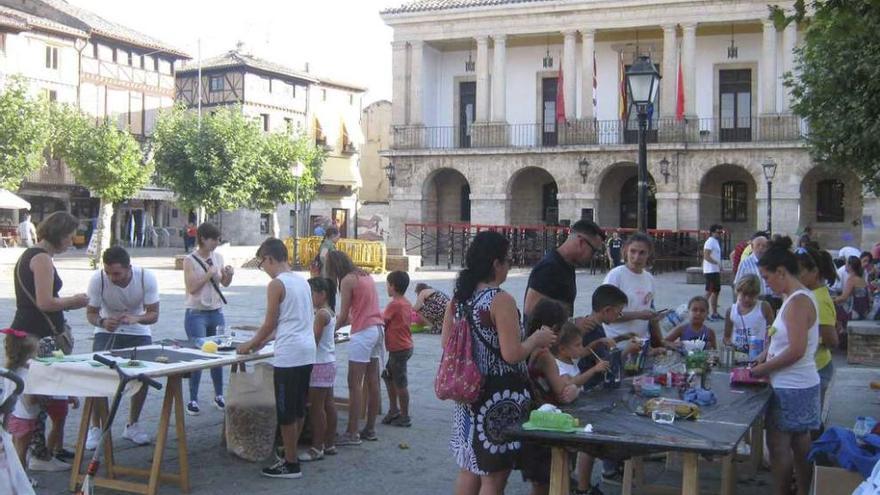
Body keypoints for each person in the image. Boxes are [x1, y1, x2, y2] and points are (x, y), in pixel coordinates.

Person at [441, 230, 556, 495]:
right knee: (493, 475)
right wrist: (537, 338)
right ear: (496, 263)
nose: (509, 266)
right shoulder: (500, 300)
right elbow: (512, 353)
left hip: (467, 391)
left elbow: (446, 345)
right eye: (508, 261)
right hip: (498, 395)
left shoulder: (460, 298)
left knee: (470, 466)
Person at [10, 212, 89, 469]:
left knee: (34, 398)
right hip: (36, 335)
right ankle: (35, 458)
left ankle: (36, 455)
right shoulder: (41, 258)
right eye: (69, 236)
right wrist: (74, 301)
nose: (71, 241)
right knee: (33, 401)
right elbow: (45, 302)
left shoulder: (30, 255)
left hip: (26, 332)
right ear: (58, 235)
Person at [238, 238, 315, 479]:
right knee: (298, 406)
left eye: (262, 264)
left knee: (285, 411)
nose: (264, 270)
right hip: (306, 350)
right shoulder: (302, 282)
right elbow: (287, 321)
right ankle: (289, 453)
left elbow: (270, 322)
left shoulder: (277, 284)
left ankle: (290, 463)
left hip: (289, 354)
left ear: (269, 259)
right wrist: (260, 340)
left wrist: (250, 344)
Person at [750, 237, 820, 495]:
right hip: (799, 385)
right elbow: (784, 338)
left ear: (781, 272)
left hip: (792, 386)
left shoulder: (798, 302)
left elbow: (796, 350)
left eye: (767, 277)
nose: (766, 283)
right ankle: (802, 489)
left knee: (780, 447)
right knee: (801, 443)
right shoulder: (795, 298)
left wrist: (763, 369)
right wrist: (766, 353)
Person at [84, 246, 159, 449]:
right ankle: (96, 427)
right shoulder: (98, 279)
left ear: (129, 269)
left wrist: (137, 318)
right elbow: (91, 313)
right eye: (108, 272)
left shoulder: (146, 277)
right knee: (97, 376)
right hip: (106, 330)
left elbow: (154, 314)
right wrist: (101, 322)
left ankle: (132, 424)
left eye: (116, 273)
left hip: (138, 331)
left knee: (142, 377)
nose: (112, 278)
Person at [574, 285, 629, 495]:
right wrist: (627, 351)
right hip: (590, 390)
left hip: (592, 387)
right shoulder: (592, 330)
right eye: (618, 311)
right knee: (589, 445)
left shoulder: (595, 326)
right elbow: (606, 363)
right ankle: (583, 487)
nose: (619, 315)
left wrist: (623, 339)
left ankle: (585, 484)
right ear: (606, 310)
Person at [327, 250, 384, 445]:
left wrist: (330, 331)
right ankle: (370, 428)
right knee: (373, 382)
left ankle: (352, 432)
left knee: (354, 383)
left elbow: (343, 315)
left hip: (363, 333)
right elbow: (359, 309)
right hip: (376, 328)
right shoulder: (365, 275)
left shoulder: (347, 280)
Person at [183, 222, 234, 415]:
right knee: (199, 356)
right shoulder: (190, 260)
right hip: (196, 312)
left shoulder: (218, 257)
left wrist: (229, 275)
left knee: (218, 354)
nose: (217, 243)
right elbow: (191, 288)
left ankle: (219, 395)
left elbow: (224, 284)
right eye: (214, 239)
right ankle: (193, 399)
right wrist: (207, 274)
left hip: (216, 310)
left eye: (218, 240)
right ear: (203, 239)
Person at [523, 220, 605, 319]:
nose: (594, 256)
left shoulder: (567, 265)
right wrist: (573, 324)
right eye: (593, 251)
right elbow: (530, 310)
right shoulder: (549, 267)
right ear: (581, 242)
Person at [794, 246, 839, 416]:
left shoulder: (818, 300)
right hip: (814, 365)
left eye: (801, 272)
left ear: (815, 272)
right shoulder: (812, 295)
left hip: (818, 366)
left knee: (810, 420)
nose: (797, 277)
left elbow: (832, 340)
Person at [601, 233, 664, 352]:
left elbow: (650, 310)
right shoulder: (616, 276)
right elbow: (604, 315)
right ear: (626, 251)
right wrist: (639, 315)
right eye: (633, 251)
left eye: (642, 253)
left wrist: (662, 341)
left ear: (649, 254)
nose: (636, 257)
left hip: (642, 345)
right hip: (617, 345)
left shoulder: (649, 279)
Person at [299, 277, 338, 462]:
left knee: (316, 408)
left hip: (319, 364)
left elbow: (313, 340)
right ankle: (329, 443)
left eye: (311, 294)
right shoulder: (328, 311)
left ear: (322, 294)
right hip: (328, 362)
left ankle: (317, 447)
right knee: (328, 404)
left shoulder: (321, 314)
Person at [381, 271, 414, 428]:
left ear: (393, 286)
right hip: (405, 346)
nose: (386, 287)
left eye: (387, 284)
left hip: (398, 348)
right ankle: (394, 409)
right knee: (388, 375)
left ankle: (404, 415)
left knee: (400, 382)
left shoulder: (394, 304)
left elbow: (383, 321)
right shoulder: (406, 302)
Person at [723, 275, 773, 359]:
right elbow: (726, 337)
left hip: (759, 354)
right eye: (744, 295)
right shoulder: (731, 311)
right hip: (738, 355)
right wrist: (729, 344)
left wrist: (768, 346)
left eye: (751, 296)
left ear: (757, 294)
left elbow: (772, 330)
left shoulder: (764, 307)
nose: (747, 299)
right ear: (737, 291)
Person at [833, 256, 871, 320]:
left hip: (854, 312)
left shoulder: (851, 279)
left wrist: (830, 301)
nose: (845, 265)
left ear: (850, 266)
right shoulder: (861, 279)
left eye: (846, 263)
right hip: (864, 312)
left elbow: (843, 298)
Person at [703, 224, 724, 321]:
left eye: (721, 232)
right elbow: (706, 256)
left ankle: (714, 313)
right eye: (718, 232)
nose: (720, 234)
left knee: (716, 291)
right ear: (712, 232)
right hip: (710, 270)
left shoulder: (716, 242)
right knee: (709, 292)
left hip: (715, 270)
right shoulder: (710, 242)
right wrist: (716, 263)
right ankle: (703, 311)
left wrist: (719, 265)